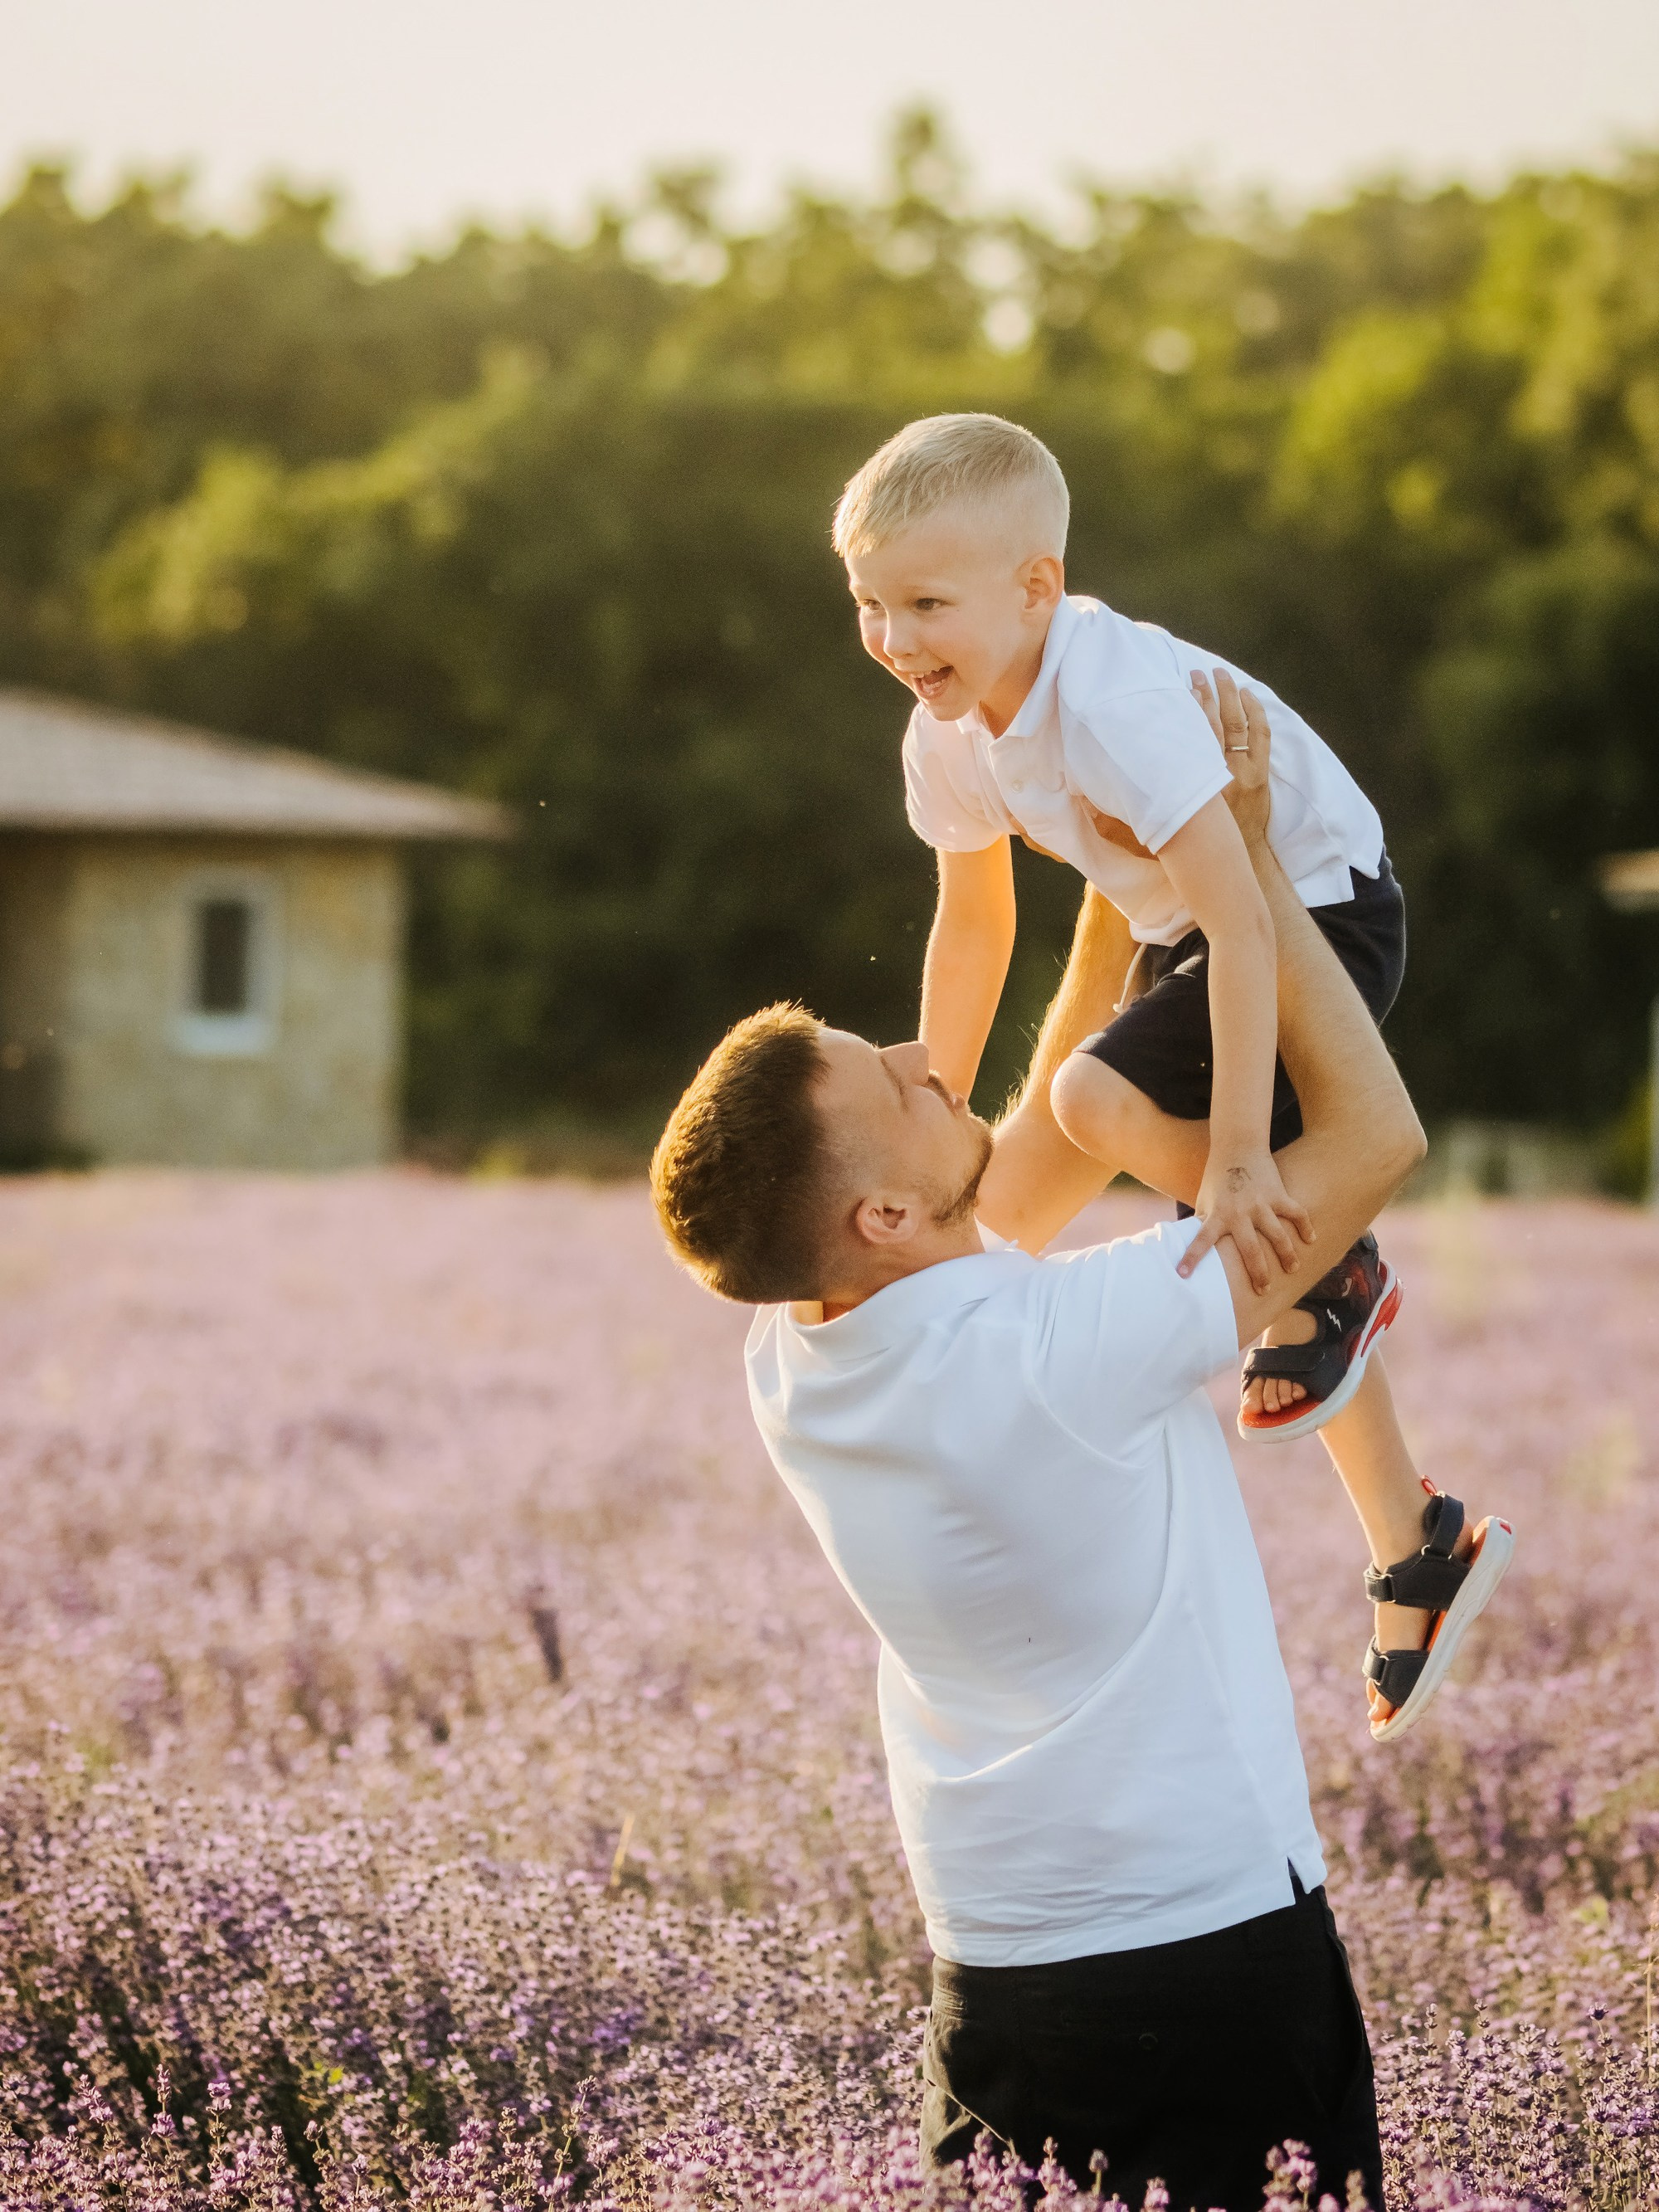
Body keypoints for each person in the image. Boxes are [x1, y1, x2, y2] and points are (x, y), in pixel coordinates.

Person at [649, 694, 1511, 2201]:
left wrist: (1127, 904)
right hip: (1200, 1962)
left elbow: (1031, 1163)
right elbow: (1376, 1134)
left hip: (994, 1971)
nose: (930, 1058)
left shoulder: (799, 1350)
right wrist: (1236, 865)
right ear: (881, 1218)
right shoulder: (1054, 1355)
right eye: (892, 1078)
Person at [832, 409, 1501, 1739]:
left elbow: (1250, 921)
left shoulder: (1117, 700)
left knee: (1106, 1108)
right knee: (993, 1232)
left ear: (1038, 588)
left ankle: (1332, 1268)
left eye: (924, 602)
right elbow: (976, 924)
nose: (896, 640)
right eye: (867, 604)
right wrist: (940, 1112)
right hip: (1189, 937)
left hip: (1312, 910)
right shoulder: (949, 731)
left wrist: (1245, 1153)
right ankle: (1418, 1543)